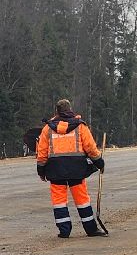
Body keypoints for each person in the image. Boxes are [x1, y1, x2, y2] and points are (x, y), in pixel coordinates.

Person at [36, 99, 105, 238]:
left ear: (56, 111)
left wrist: (41, 171)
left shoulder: (48, 129)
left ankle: (64, 231)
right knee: (82, 200)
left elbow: (42, 152)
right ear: (70, 109)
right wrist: (99, 163)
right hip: (77, 169)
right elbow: (91, 148)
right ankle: (91, 229)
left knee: (59, 202)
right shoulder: (80, 126)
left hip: (55, 170)